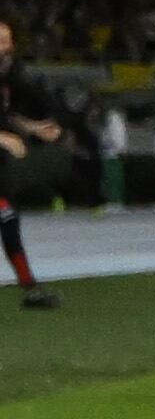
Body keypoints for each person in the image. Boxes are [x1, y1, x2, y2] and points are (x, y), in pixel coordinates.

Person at [0, 17, 71, 309]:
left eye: (8, 40)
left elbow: (9, 115)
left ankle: (30, 289)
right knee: (6, 216)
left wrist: (32, 128)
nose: (6, 47)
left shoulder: (8, 77)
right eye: (0, 41)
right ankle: (30, 289)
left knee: (7, 216)